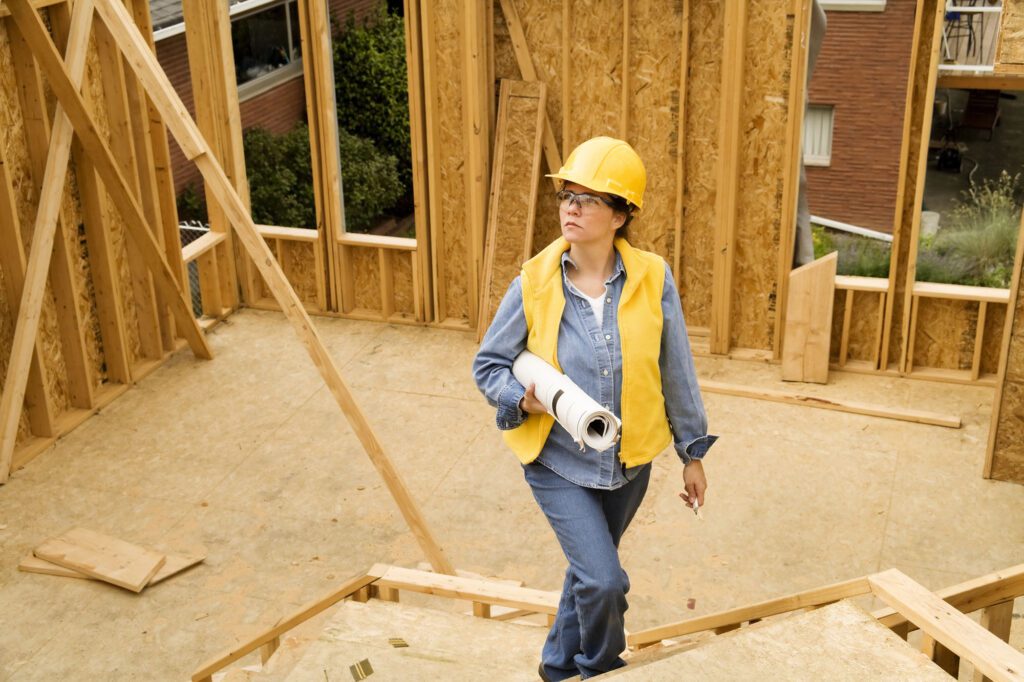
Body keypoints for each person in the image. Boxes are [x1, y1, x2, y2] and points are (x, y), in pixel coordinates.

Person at [472, 136, 717, 680]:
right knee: (604, 580)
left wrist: (692, 453)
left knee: (586, 573)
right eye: (567, 195)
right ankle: (602, 667)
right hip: (558, 462)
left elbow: (675, 369)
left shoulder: (654, 278)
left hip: (629, 465)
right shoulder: (533, 282)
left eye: (589, 198)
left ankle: (556, 668)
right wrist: (523, 399)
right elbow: (488, 364)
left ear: (621, 215)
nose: (571, 207)